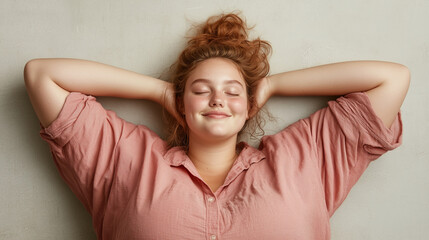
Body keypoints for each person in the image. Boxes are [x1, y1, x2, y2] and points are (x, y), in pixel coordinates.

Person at [24, 13, 409, 240]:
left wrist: (274, 85)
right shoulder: (126, 158)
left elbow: (391, 80)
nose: (217, 99)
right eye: (200, 90)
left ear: (249, 106)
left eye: (232, 91)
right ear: (182, 103)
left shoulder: (303, 158)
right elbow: (43, 75)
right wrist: (159, 91)